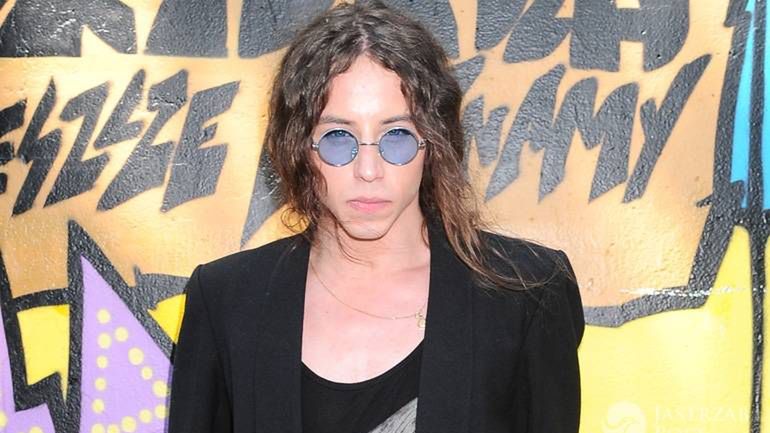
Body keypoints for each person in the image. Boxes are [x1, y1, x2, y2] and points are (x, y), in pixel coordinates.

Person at [167, 2, 585, 433]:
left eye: (396, 136)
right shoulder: (226, 300)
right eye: (338, 138)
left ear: (433, 143)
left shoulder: (528, 292)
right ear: (299, 147)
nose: (368, 170)